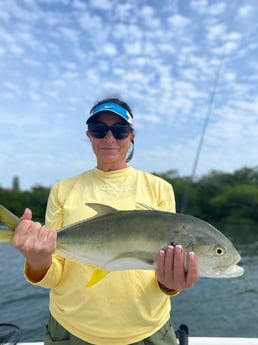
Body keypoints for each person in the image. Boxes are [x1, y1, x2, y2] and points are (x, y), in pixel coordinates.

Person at [12, 98, 199, 345]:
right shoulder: (63, 189)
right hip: (71, 330)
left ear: (131, 135)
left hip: (147, 330)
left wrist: (171, 283)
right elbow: (55, 275)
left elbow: (162, 269)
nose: (109, 138)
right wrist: (38, 261)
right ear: (89, 135)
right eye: (100, 130)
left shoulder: (159, 189)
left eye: (120, 130)